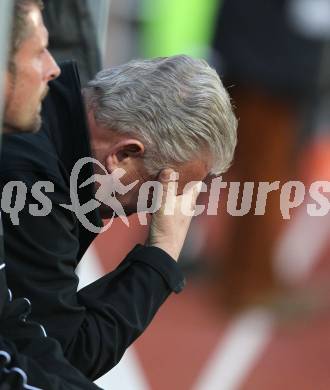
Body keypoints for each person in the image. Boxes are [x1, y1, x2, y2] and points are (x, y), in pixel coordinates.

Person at [0, 55, 237, 380]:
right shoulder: (35, 187)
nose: (158, 211)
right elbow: (64, 360)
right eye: (158, 194)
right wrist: (162, 254)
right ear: (124, 155)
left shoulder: (51, 106)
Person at [0, 0, 101, 388]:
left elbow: (14, 329)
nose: (55, 68)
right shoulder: (26, 179)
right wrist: (159, 258)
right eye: (39, 52)